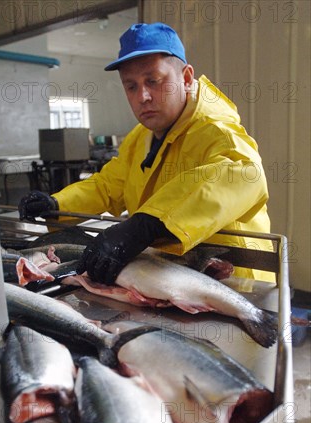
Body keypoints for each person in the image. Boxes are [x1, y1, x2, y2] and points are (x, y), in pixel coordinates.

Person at [19, 22, 273, 284]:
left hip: (235, 280)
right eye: (131, 86)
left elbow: (242, 173)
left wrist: (146, 224)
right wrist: (58, 204)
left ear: (186, 78)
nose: (143, 96)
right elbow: (108, 186)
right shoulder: (141, 137)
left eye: (153, 81)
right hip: (176, 274)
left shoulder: (216, 130)